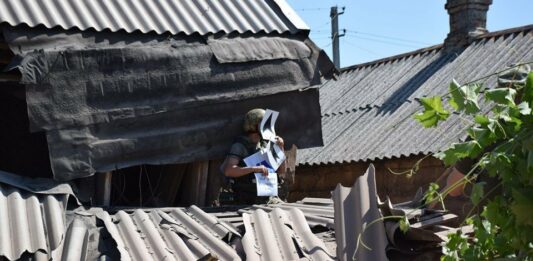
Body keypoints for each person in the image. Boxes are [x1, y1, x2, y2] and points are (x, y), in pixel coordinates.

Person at [222, 108, 286, 204]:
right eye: (264, 124)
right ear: (254, 125)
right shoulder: (240, 146)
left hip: (268, 197)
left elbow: (282, 170)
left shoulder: (265, 144)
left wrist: (281, 148)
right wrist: (254, 169)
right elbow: (228, 171)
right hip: (247, 198)